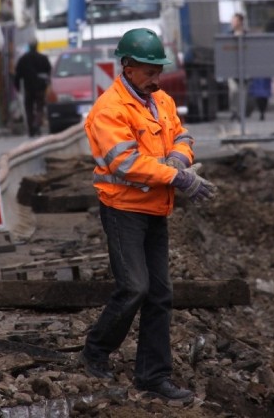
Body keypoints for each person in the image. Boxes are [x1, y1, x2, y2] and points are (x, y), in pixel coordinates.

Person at [79, 28, 217, 401]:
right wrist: (177, 175)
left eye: (158, 69)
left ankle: (153, 377)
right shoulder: (110, 109)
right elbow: (124, 163)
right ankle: (95, 351)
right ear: (127, 66)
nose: (156, 77)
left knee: (159, 294)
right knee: (134, 288)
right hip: (124, 210)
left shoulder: (161, 101)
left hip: (155, 208)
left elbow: (183, 137)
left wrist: (178, 158)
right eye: (148, 70)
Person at [14, 40, 52, 137]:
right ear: (37, 46)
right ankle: (36, 124)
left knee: (29, 108)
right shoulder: (43, 58)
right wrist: (48, 84)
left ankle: (31, 129)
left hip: (28, 88)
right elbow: (49, 72)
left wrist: (17, 87)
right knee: (40, 107)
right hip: (40, 88)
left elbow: (17, 75)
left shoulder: (23, 59)